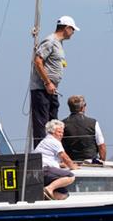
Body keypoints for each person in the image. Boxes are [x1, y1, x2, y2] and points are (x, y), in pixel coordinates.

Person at [30, 15, 79, 147]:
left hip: (52, 90)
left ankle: (53, 151)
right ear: (67, 28)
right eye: (72, 29)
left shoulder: (59, 43)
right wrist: (47, 82)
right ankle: (41, 156)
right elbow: (38, 61)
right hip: (42, 89)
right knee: (42, 124)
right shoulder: (50, 41)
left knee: (53, 124)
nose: (73, 33)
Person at [33, 119, 78, 200]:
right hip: (44, 170)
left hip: (40, 172)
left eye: (62, 133)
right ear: (52, 132)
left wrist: (60, 165)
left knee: (64, 194)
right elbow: (65, 157)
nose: (61, 135)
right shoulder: (53, 141)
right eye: (59, 132)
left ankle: (45, 198)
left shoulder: (45, 141)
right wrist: (73, 166)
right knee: (71, 176)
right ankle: (49, 189)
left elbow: (48, 157)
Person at [62, 95, 107, 162]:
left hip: (71, 163)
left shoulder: (62, 124)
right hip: (91, 163)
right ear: (82, 107)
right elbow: (101, 146)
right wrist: (102, 162)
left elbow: (59, 147)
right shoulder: (93, 123)